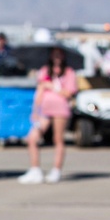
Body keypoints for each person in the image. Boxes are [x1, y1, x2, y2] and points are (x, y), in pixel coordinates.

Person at [18, 45, 78, 184]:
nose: (57, 57)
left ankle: (56, 170)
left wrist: (53, 87)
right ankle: (35, 169)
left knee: (58, 139)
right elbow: (40, 90)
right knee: (32, 138)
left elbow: (69, 93)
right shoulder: (45, 71)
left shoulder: (69, 72)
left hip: (60, 109)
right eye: (54, 54)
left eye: (59, 54)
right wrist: (35, 110)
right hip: (44, 109)